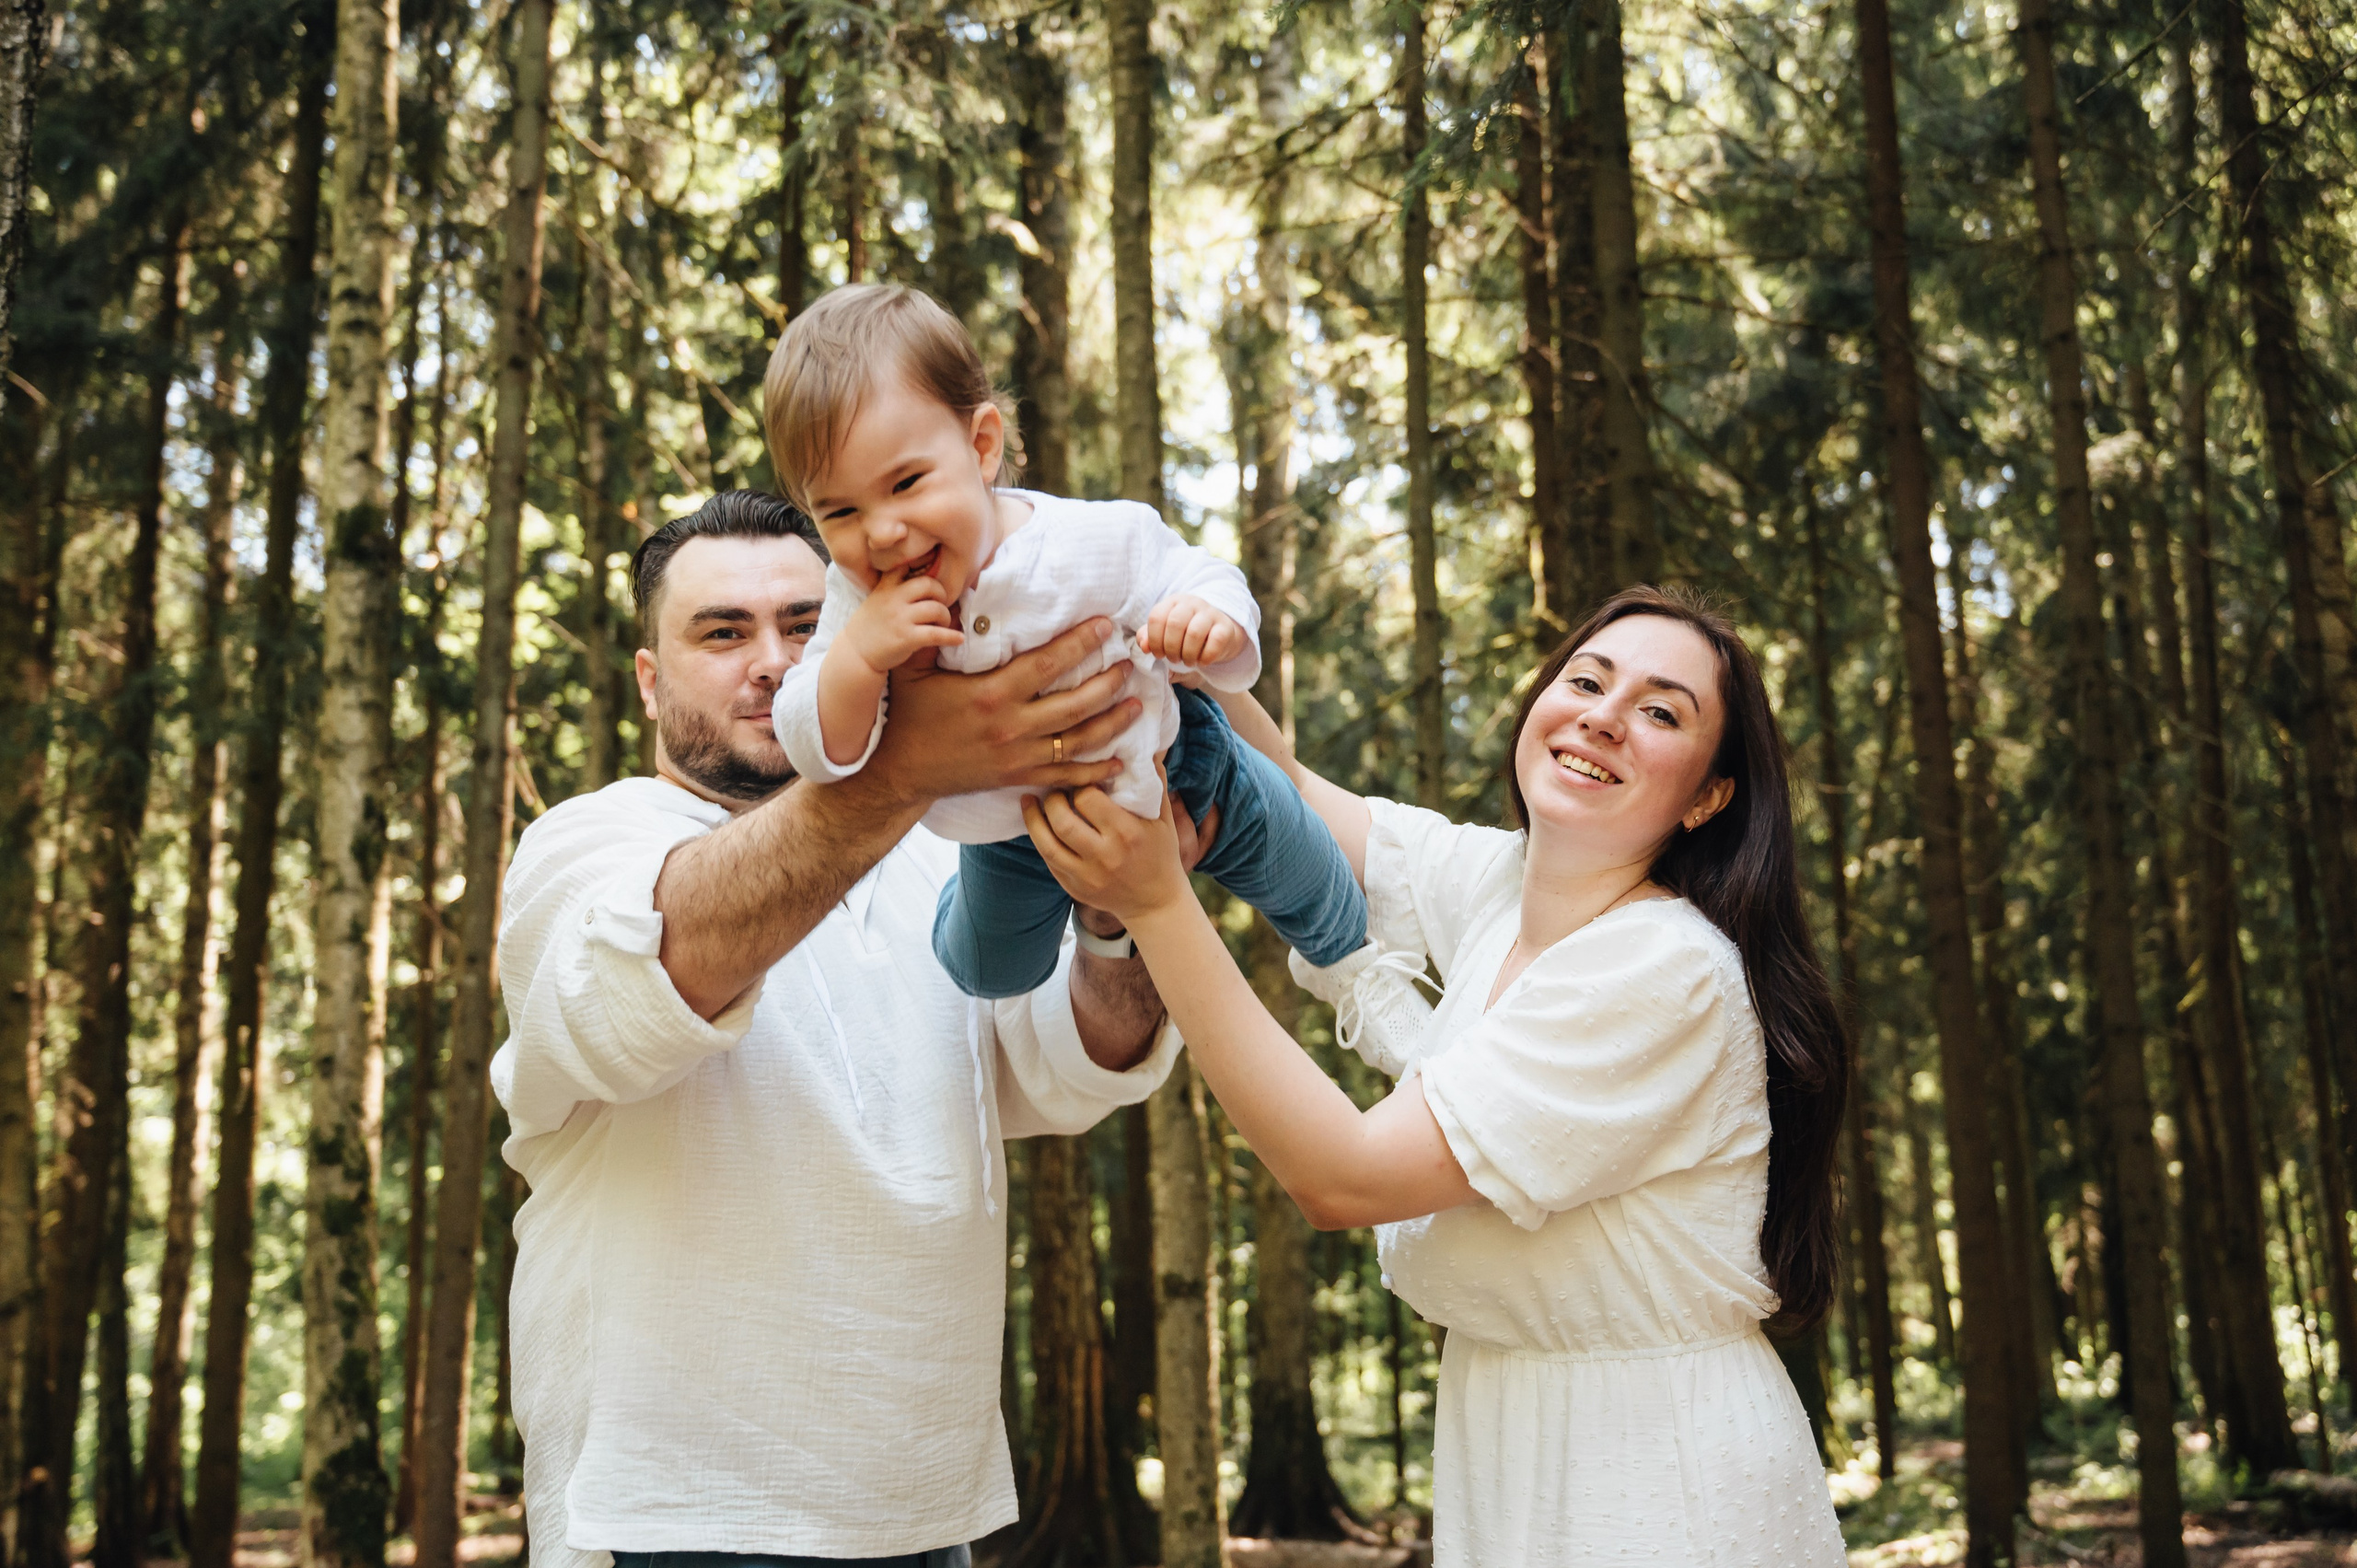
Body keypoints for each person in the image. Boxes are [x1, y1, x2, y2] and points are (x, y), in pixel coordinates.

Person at [1023, 586, 1852, 1565]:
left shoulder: (1663, 968)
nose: (1603, 716)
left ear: (1710, 795)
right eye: (1587, 680)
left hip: (1657, 1477)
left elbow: (1345, 1176)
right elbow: (1293, 790)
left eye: (1661, 712)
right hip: (1512, 1450)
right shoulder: (1505, 886)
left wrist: (1158, 907)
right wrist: (1196, 659)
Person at [491, 491, 1195, 1568]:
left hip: (929, 1503)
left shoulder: (938, 853)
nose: (772, 663)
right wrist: (904, 770)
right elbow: (643, 983)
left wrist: (1116, 916)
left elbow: (1072, 1065)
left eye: (804, 624)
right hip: (671, 1511)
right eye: (722, 632)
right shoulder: (584, 842)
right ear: (649, 679)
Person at [761, 283, 1365, 1000]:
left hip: (1174, 760)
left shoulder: (1086, 540)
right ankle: (1074, 917)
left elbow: (1195, 573)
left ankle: (1360, 969)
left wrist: (1209, 621)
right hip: (1011, 826)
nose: (883, 532)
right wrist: (859, 658)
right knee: (990, 974)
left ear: (981, 447)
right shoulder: (855, 602)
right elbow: (809, 737)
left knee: (1307, 872)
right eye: (840, 512)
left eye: (907, 483)